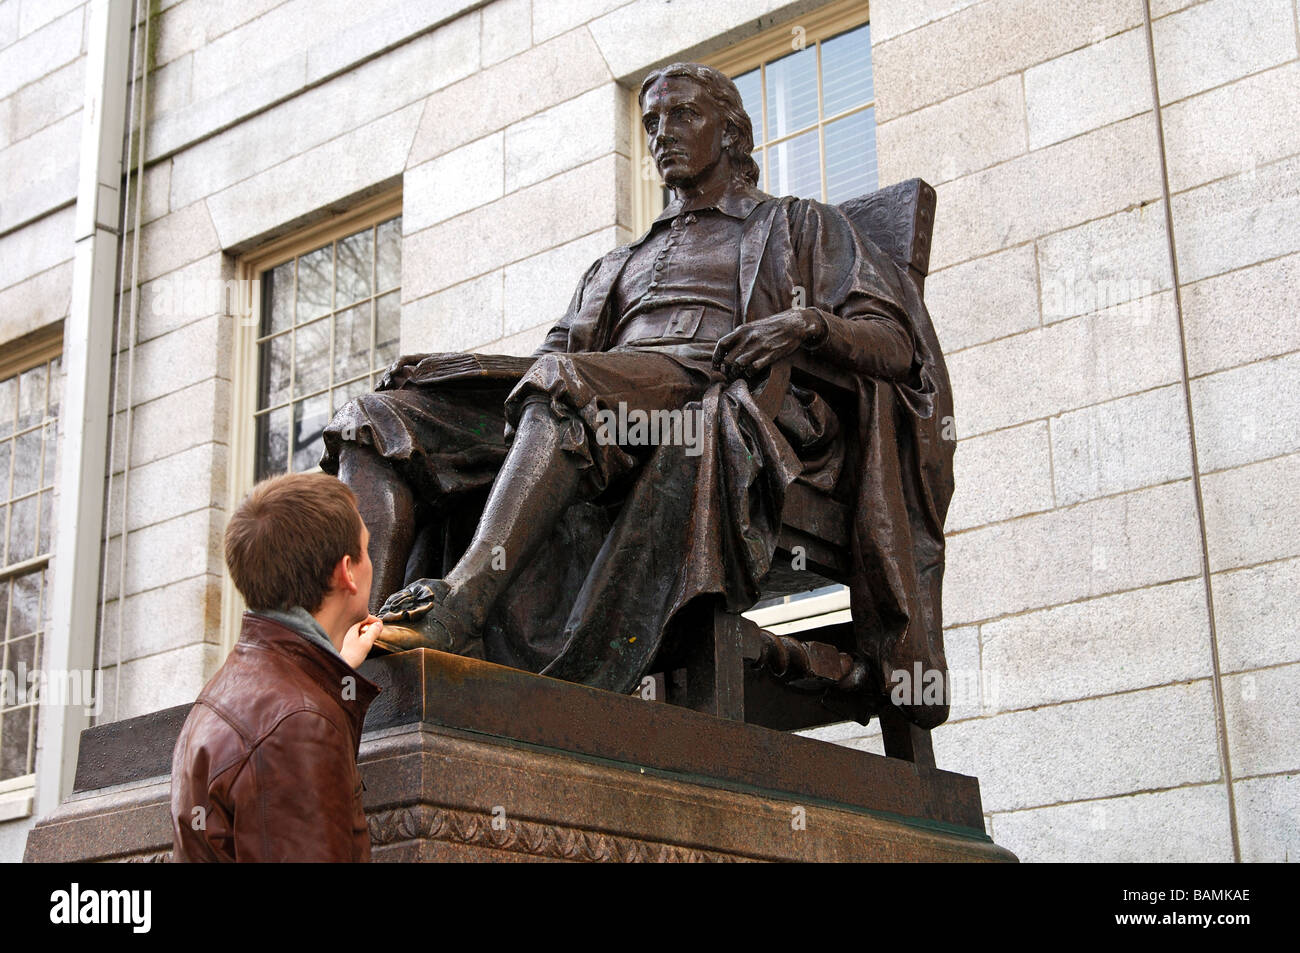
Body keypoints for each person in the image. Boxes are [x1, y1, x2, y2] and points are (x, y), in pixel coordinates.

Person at [322, 63, 954, 728]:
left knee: (570, 387)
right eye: (652, 121)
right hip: (598, 406)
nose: (662, 133)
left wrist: (805, 324)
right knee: (378, 415)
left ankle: (459, 607)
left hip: (710, 392)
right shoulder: (615, 266)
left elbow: (895, 345)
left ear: (732, 133)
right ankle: (355, 654)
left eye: (683, 115)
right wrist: (453, 371)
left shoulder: (797, 226)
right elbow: (542, 367)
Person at [170, 473, 384, 862]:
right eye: (368, 551)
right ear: (347, 571)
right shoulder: (298, 724)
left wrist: (332, 672)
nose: (374, 564)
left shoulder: (228, 690)